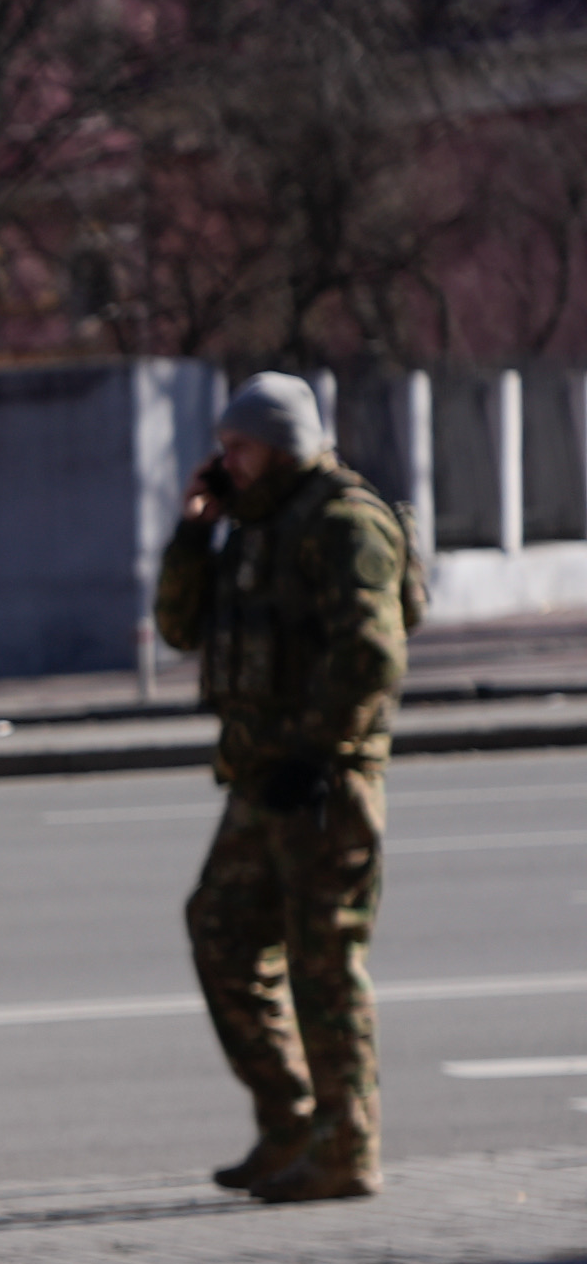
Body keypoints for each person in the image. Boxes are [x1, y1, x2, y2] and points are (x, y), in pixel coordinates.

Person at [153, 370, 416, 1205]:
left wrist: (316, 750)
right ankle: (291, 1124)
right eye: (223, 448)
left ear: (284, 445)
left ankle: (347, 1149)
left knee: (323, 966)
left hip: (322, 785)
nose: (226, 461)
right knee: (221, 935)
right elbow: (181, 627)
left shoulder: (342, 521)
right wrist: (194, 532)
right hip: (262, 780)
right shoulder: (252, 525)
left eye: (241, 448)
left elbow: (372, 653)